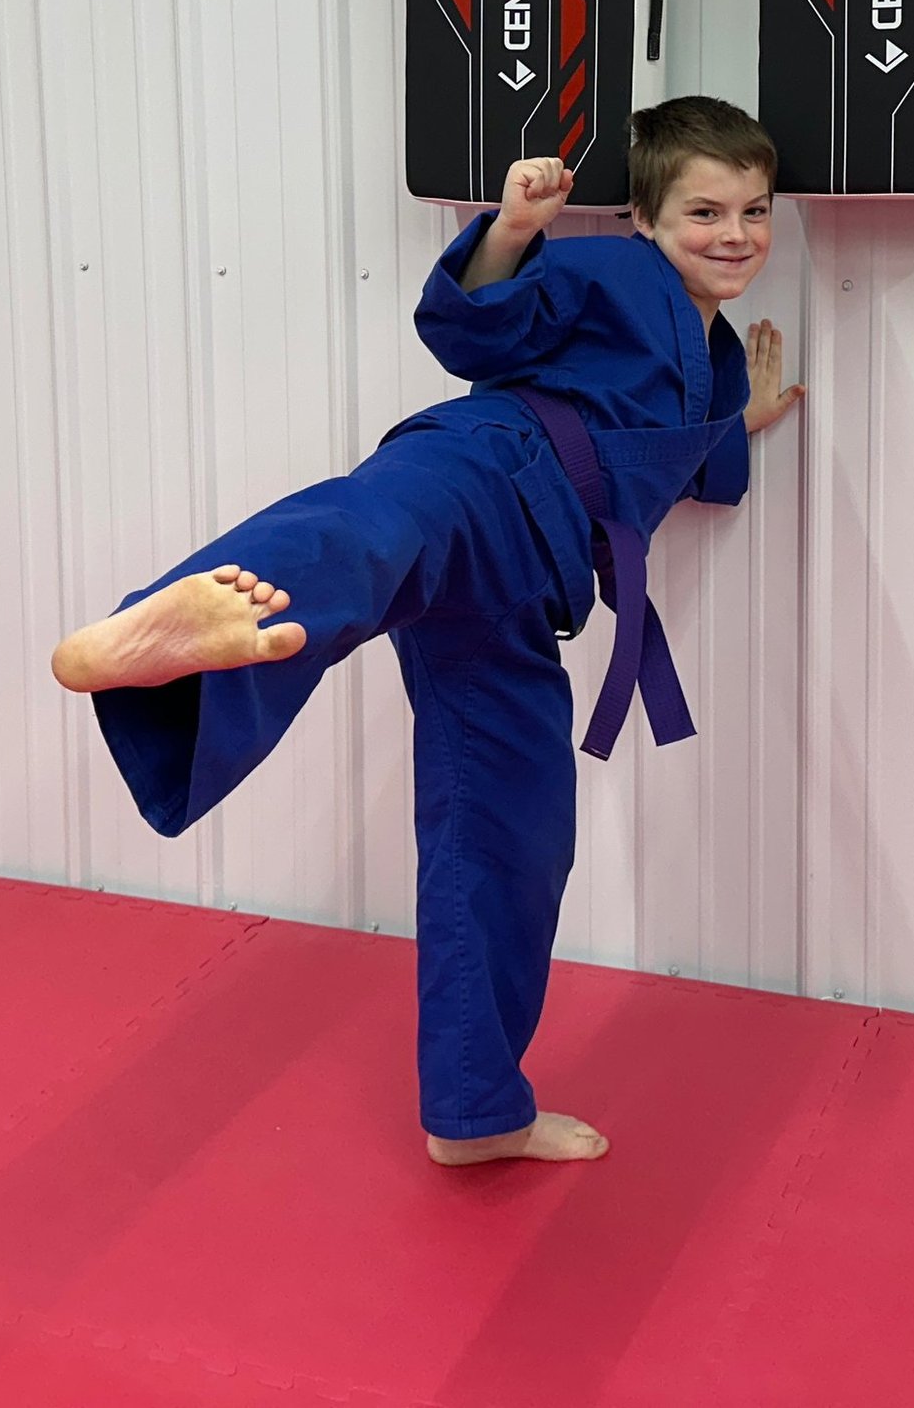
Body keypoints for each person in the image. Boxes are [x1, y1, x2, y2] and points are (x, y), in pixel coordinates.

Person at [52, 96, 803, 1166]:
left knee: (512, 830)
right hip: (492, 464)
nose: (734, 234)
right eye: (704, 212)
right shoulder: (610, 271)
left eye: (755, 211)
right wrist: (513, 230)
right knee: (369, 530)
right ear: (643, 217)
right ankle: (166, 632)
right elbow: (469, 331)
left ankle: (475, 1111)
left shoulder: (712, 358)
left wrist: (744, 416)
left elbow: (688, 473)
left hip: (526, 589)